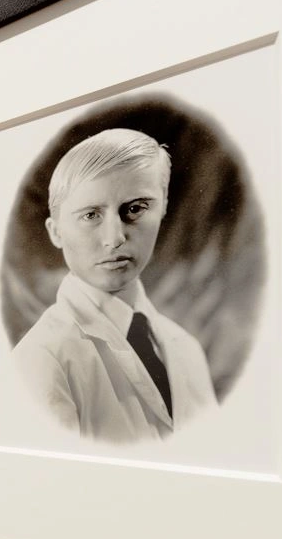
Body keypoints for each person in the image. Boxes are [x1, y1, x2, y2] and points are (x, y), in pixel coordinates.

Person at [12, 128, 216, 442]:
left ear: (162, 208)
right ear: (56, 232)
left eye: (135, 209)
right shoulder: (44, 356)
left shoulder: (185, 348)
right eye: (91, 214)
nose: (115, 238)